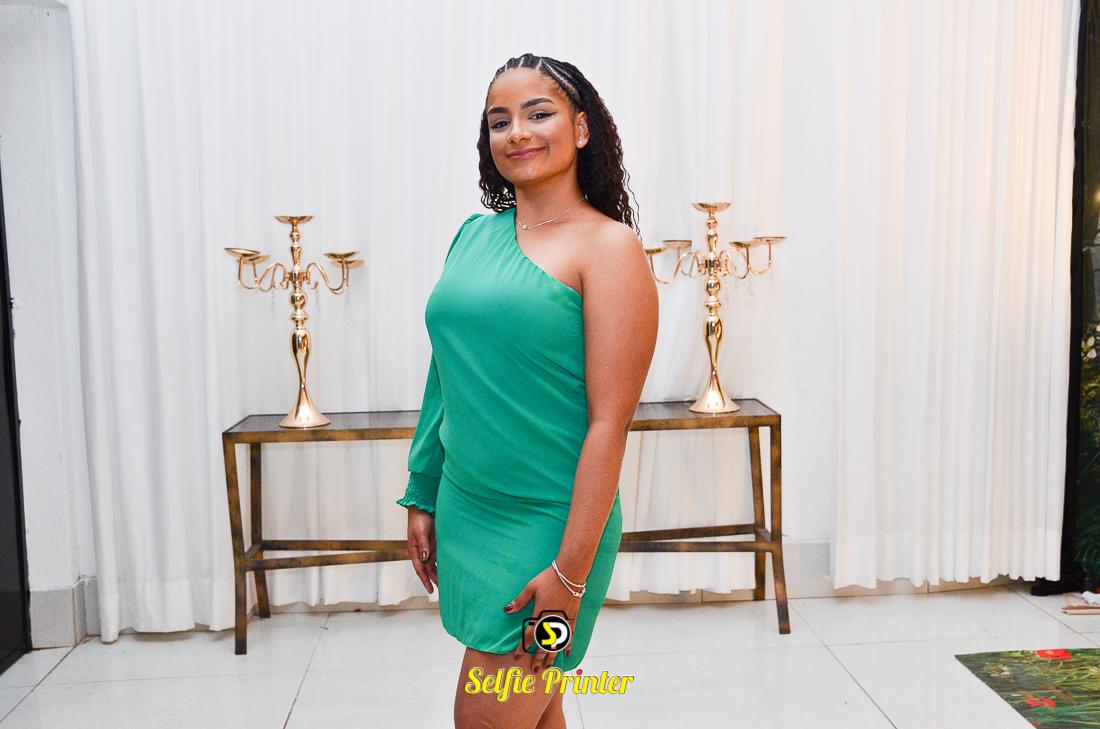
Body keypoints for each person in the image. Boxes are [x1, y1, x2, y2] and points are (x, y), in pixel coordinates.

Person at [396, 52, 658, 729]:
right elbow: (444, 375)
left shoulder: (610, 248)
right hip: (469, 510)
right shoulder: (472, 236)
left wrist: (569, 575)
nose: (517, 132)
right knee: (539, 715)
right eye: (499, 120)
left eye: (538, 113)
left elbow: (609, 424)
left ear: (581, 128)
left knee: (486, 718)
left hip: (554, 527)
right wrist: (423, 490)